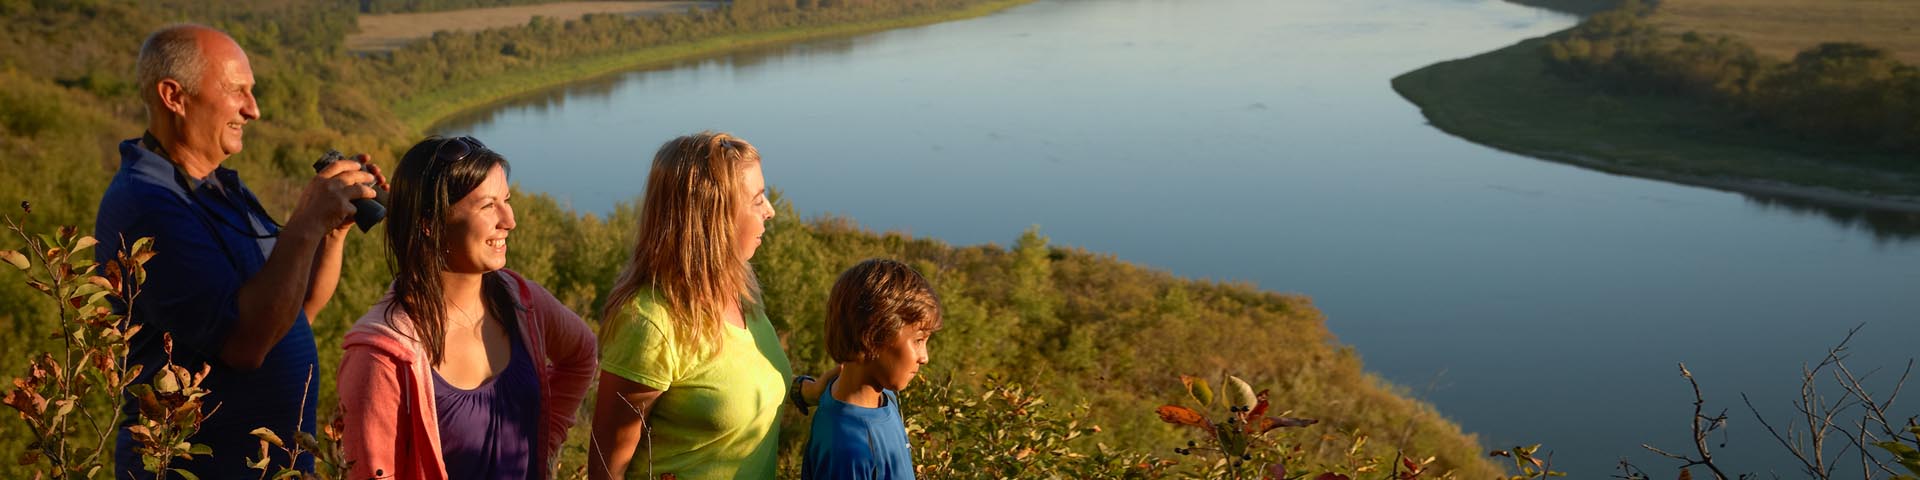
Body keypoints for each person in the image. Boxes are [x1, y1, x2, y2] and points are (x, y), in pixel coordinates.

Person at [94, 24, 383, 478]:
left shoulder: (216, 189)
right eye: (237, 91)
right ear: (174, 95)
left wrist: (331, 229)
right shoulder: (150, 205)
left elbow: (294, 311)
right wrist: (305, 221)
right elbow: (246, 344)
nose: (254, 110)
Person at [337, 136, 598, 480]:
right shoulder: (382, 357)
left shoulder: (523, 302)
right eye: (487, 206)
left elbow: (582, 355)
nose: (509, 220)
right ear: (429, 223)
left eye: (506, 200)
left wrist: (543, 442)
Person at [588, 132, 835, 480]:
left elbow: (734, 384)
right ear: (713, 215)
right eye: (757, 199)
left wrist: (806, 390)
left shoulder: (740, 291)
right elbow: (606, 469)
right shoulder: (650, 325)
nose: (771, 210)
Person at [803, 259, 941, 480]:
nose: (924, 357)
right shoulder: (847, 450)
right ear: (874, 336)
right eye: (918, 340)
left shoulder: (883, 396)